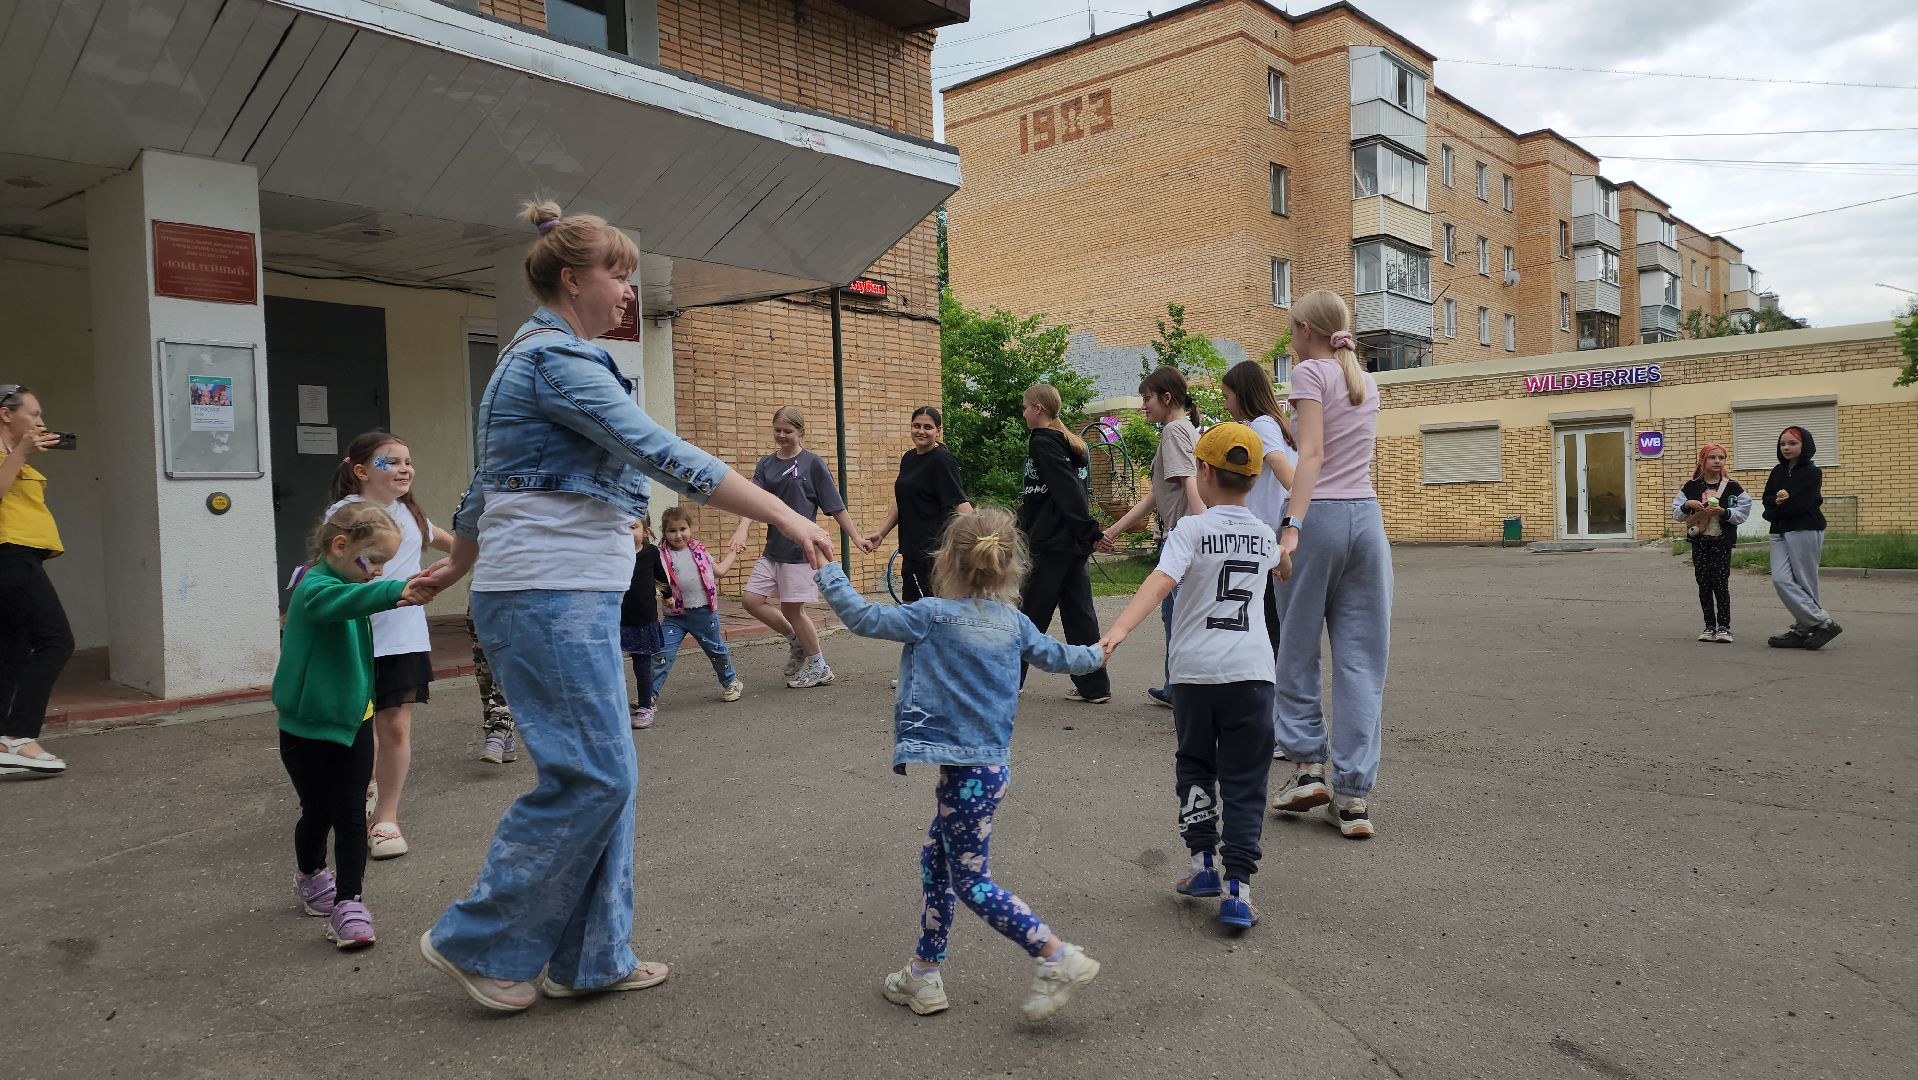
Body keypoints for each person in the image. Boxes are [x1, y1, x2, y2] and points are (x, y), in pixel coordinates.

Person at [411, 199, 836, 1013]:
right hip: (547, 594)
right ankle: (478, 940)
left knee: (608, 777)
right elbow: (661, 452)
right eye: (619, 275)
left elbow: (478, 494)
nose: (630, 292)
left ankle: (591, 957)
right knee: (594, 776)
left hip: (556, 592)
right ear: (574, 280)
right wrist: (784, 513)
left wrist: (453, 566)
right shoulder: (557, 362)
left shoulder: (534, 359)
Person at [814, 506, 1105, 1021]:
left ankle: (1056, 955)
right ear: (1010, 564)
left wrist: (828, 570)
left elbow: (862, 617)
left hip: (970, 775)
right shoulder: (1014, 622)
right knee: (936, 861)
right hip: (982, 771)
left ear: (946, 558)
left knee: (972, 880)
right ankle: (924, 974)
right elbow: (1059, 657)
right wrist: (1099, 652)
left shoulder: (929, 615)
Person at [1099, 424, 1284, 930]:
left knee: (1196, 765)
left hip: (1195, 675)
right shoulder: (1263, 533)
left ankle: (1202, 864)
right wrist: (1285, 550)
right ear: (1253, 477)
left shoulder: (1191, 531)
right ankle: (1239, 890)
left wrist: (1117, 629)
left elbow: (1161, 582)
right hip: (1252, 675)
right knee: (1246, 781)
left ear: (1202, 472)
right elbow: (1282, 564)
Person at [274, 500, 431, 950]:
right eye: (373, 561)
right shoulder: (314, 586)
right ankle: (310, 875)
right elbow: (335, 604)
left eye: (384, 564)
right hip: (306, 728)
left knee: (348, 812)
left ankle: (349, 904)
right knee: (317, 812)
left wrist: (411, 586)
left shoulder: (351, 581)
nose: (377, 572)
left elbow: (360, 597)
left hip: (355, 721)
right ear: (340, 545)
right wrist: (396, 591)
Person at [1268, 290, 1391, 840]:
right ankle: (1354, 798)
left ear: (1303, 329)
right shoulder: (1365, 381)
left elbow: (1311, 455)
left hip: (1318, 518)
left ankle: (1306, 769)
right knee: (1361, 660)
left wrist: (1291, 524)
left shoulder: (1310, 375)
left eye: (1291, 329)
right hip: (1367, 521)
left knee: (1296, 644)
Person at [329, 432, 453, 860]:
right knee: (360, 730)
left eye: (408, 460)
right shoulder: (344, 514)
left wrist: (478, 555)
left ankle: (387, 819)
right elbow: (331, 568)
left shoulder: (413, 516)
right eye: (391, 461)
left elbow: (454, 545)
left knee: (395, 726)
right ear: (361, 471)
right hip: (355, 636)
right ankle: (364, 783)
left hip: (404, 637)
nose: (404, 468)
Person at [727, 406, 872, 690]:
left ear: (801, 432)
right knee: (751, 601)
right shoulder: (766, 464)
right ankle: (796, 641)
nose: (781, 436)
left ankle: (819, 666)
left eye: (788, 431)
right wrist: (741, 530)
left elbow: (835, 505)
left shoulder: (812, 464)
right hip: (773, 550)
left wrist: (856, 538)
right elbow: (751, 501)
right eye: (777, 430)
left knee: (793, 610)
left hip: (800, 552)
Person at [1099, 367, 1204, 707]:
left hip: (1181, 537)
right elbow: (1156, 496)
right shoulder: (1184, 428)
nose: (1144, 406)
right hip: (1185, 535)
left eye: (1147, 399)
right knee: (1178, 612)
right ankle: (1178, 685)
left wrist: (1202, 525)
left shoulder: (1173, 431)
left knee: (1176, 614)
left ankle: (1183, 689)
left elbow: (1188, 481)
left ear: (1167, 397)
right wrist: (1113, 530)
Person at [1014, 384, 1111, 704]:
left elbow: (1066, 488)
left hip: (1054, 543)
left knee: (1029, 614)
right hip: (1068, 542)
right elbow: (1041, 494)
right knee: (1079, 613)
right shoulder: (1069, 444)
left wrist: (1089, 530)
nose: (1024, 411)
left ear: (1038, 409)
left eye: (1026, 406)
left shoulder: (1043, 442)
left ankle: (1005, 680)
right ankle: (1094, 686)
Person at [0, 383, 74, 777]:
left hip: (20, 557)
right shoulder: (10, 457)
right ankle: (19, 734)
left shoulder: (15, 458)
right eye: (34, 413)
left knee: (11, 653)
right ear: (5, 413)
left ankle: (2, 740)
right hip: (10, 556)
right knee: (56, 641)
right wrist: (21, 454)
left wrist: (21, 455)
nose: (41, 421)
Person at [1221, 360, 1299, 662]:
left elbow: (1286, 473)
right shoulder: (1278, 424)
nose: (1226, 405)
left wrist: (1300, 506)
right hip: (1272, 534)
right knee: (1270, 621)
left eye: (1228, 396)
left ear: (1243, 394)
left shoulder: (1260, 427)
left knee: (1265, 625)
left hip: (1261, 536)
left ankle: (1270, 699)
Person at [866, 406, 973, 602]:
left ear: (938, 430)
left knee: (930, 616)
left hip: (934, 553)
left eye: (928, 427)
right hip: (911, 550)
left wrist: (983, 538)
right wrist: (881, 533)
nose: (921, 431)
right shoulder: (908, 458)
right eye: (916, 426)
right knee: (912, 613)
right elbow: (903, 500)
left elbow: (959, 502)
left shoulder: (942, 460)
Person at [652, 505, 743, 706]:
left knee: (716, 651)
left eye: (682, 529)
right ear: (664, 532)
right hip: (674, 617)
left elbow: (718, 572)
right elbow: (659, 578)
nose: (678, 535)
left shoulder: (699, 550)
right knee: (662, 653)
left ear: (690, 528)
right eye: (672, 530)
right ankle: (649, 696)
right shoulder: (660, 554)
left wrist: (735, 553)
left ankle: (731, 682)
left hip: (703, 614)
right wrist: (663, 593)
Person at [1762, 426, 1841, 650]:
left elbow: (1800, 505)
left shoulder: (1812, 472)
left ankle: (1804, 628)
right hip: (1779, 531)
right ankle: (1822, 622)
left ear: (1804, 445)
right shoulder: (1778, 470)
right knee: (1781, 579)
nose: (1786, 447)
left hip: (1805, 529)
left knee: (1805, 581)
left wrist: (1770, 513)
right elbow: (1767, 497)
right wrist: (1773, 506)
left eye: (1792, 443)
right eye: (1782, 444)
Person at [1671, 443, 1750, 643]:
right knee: (1703, 583)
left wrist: (1725, 512)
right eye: (1712, 457)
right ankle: (1709, 626)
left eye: (1721, 458)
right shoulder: (1691, 486)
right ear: (1702, 461)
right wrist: (1687, 505)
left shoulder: (1733, 487)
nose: (1717, 461)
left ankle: (1724, 627)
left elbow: (1743, 511)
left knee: (1721, 583)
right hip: (1700, 542)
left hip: (1722, 542)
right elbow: (1676, 513)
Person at [621, 517, 668, 730]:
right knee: (611, 666)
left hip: (643, 619)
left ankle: (644, 706)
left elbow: (661, 577)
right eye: (622, 528)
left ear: (645, 531)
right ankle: (616, 707)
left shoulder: (650, 554)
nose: (628, 532)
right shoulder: (614, 555)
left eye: (633, 527)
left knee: (642, 666)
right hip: (617, 619)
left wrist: (668, 596)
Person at [472, 607, 517, 764]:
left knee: (508, 662)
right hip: (480, 598)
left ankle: (500, 729)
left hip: (517, 598)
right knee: (484, 669)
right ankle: (505, 738)